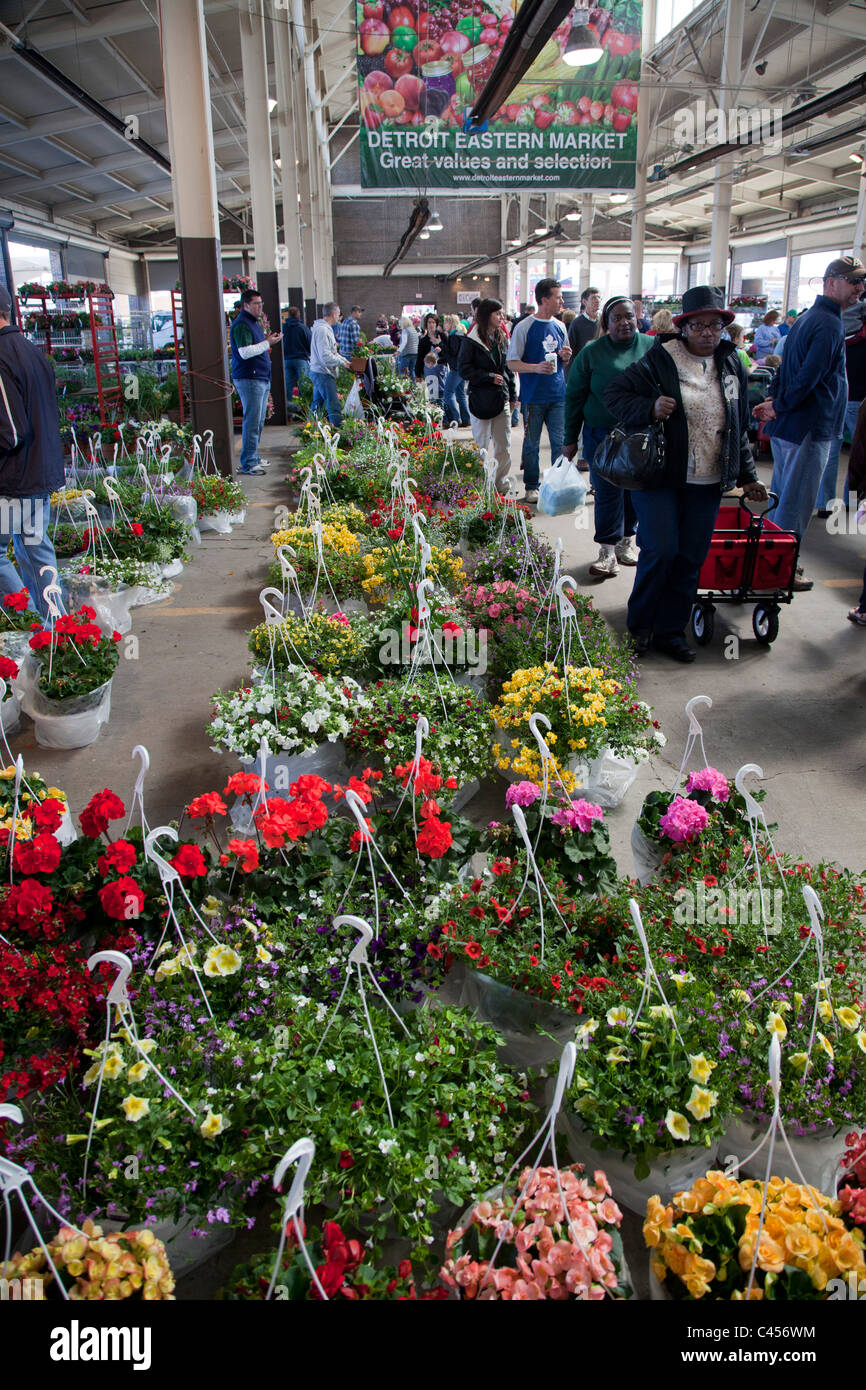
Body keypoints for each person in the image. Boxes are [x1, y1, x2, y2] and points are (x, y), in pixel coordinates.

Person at [603, 285, 767, 662]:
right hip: (660, 475)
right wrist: (649, 407)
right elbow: (615, 394)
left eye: (715, 326)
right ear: (685, 327)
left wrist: (747, 475)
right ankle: (639, 628)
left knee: (691, 557)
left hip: (708, 479)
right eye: (699, 326)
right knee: (661, 550)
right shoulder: (661, 358)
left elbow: (737, 425)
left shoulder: (731, 364)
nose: (708, 333)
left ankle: (671, 632)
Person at [753, 256, 866, 588]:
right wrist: (780, 405)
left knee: (784, 497)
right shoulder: (828, 324)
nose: (860, 288)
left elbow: (787, 369)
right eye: (853, 280)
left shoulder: (807, 318)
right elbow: (809, 377)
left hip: (794, 426)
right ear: (831, 282)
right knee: (796, 503)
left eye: (862, 282)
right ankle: (780, 570)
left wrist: (776, 402)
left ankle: (768, 562)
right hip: (808, 427)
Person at [562, 297, 653, 577]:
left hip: (641, 435)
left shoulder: (651, 347)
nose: (624, 322)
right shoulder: (592, 353)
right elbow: (574, 397)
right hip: (601, 436)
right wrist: (570, 439)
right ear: (606, 323)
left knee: (635, 491)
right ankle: (607, 551)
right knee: (607, 492)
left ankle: (627, 543)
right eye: (617, 318)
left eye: (629, 316)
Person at [0, 285, 65, 618]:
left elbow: (10, 432)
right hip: (37, 473)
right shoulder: (31, 351)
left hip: (14, 480)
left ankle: (30, 624)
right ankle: (57, 631)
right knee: (33, 551)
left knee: (9, 554)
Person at [506, 277, 573, 504]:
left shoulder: (560, 326)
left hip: (558, 395)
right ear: (544, 300)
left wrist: (565, 357)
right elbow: (512, 362)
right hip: (533, 397)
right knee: (531, 443)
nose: (561, 300)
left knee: (559, 443)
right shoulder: (524, 327)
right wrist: (536, 367)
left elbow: (563, 356)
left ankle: (556, 485)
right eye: (558, 297)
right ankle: (532, 486)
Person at [457, 297, 517, 495]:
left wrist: (513, 395)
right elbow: (464, 370)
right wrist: (488, 377)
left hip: (502, 399)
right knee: (480, 446)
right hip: (480, 401)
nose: (502, 317)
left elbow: (507, 369)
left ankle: (500, 485)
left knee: (504, 447)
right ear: (486, 315)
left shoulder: (501, 337)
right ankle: (478, 486)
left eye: (502, 313)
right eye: (497, 313)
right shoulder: (471, 340)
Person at [816, 288, 866, 516]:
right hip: (860, 402)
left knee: (829, 455)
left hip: (834, 401)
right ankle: (853, 503)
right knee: (859, 459)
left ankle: (825, 504)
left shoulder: (833, 329)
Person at [229, 288, 281, 475]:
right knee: (252, 421)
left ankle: (253, 457)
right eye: (256, 304)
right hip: (249, 378)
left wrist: (268, 341)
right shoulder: (242, 325)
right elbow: (244, 352)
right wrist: (268, 343)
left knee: (257, 421)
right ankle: (249, 463)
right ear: (246, 305)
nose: (260, 307)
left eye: (261, 303)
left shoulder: (252, 323)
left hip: (259, 377)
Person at [309, 302, 351, 428]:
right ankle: (339, 434)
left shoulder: (323, 329)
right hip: (323, 373)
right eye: (338, 314)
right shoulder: (323, 330)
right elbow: (326, 356)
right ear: (333, 314)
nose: (339, 317)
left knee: (317, 405)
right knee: (333, 405)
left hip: (318, 371)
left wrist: (344, 360)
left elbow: (332, 352)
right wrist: (342, 362)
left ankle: (310, 430)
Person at [281, 306, 311, 419]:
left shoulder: (283, 328)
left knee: (288, 386)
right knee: (303, 386)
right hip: (301, 359)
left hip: (287, 360)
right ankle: (303, 411)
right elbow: (310, 343)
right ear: (299, 315)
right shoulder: (303, 328)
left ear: (288, 315)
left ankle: (288, 412)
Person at [441, 315, 470, 427]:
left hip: (455, 368)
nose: (444, 325)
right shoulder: (461, 334)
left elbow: (452, 352)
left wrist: (441, 344)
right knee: (460, 394)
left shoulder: (453, 336)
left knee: (447, 393)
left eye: (446, 323)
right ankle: (466, 418)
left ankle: (456, 418)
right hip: (462, 368)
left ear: (450, 323)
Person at [568, 287, 601, 357]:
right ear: (584, 301)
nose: (597, 300)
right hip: (584, 364)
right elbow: (571, 349)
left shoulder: (604, 320)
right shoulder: (576, 323)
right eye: (593, 298)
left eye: (599, 297)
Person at [415, 313, 445, 383]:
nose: (431, 324)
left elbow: (448, 352)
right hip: (428, 370)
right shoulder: (423, 340)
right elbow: (420, 357)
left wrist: (441, 349)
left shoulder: (442, 336)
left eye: (433, 322)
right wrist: (417, 374)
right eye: (429, 322)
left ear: (436, 324)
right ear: (426, 324)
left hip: (441, 369)